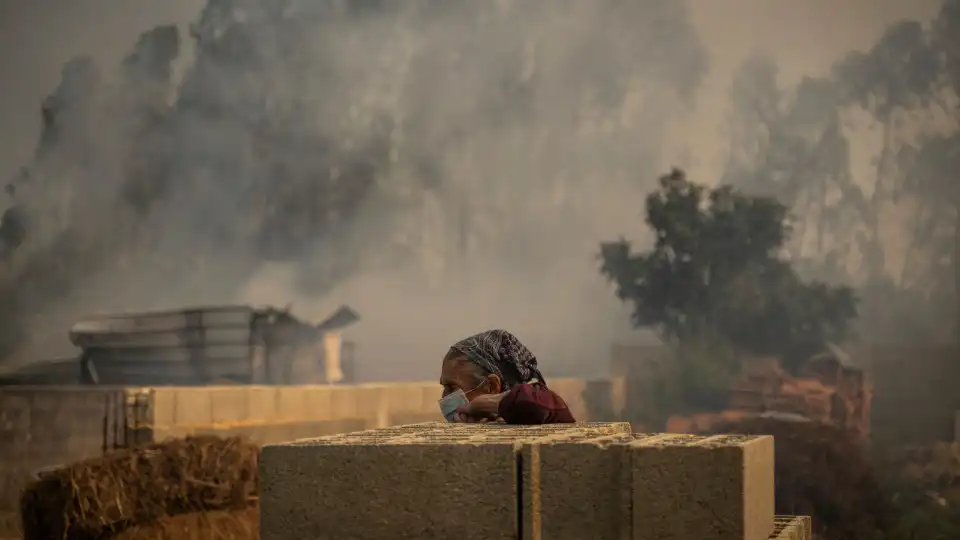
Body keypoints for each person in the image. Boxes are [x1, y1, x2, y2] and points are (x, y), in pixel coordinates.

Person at [439, 329, 575, 424]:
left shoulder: (533, 419)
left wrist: (492, 404)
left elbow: (545, 402)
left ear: (491, 386)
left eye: (451, 388)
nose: (444, 398)